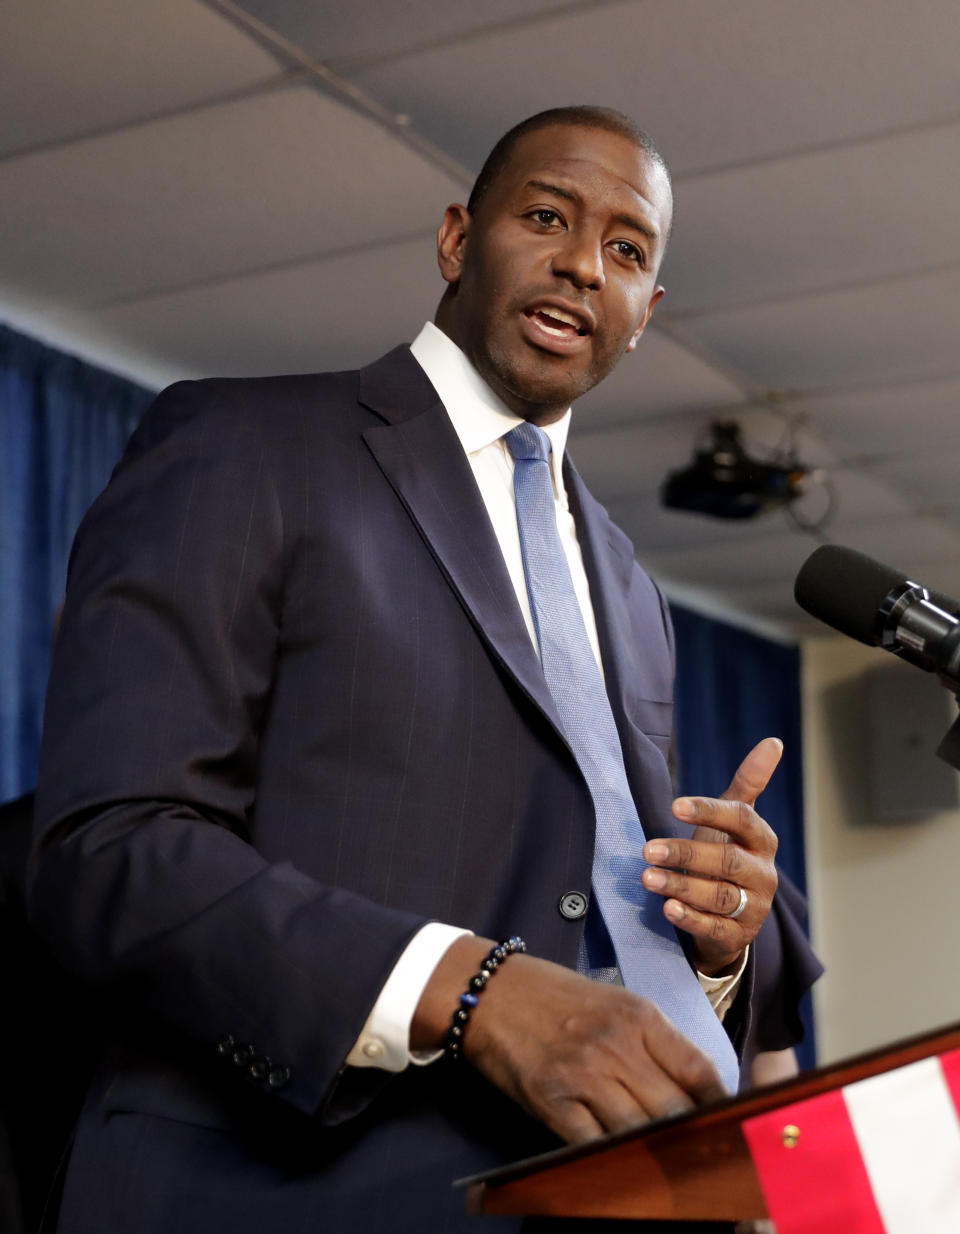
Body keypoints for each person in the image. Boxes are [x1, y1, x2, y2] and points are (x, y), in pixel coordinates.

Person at [30, 106, 820, 1233]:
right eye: (546, 216)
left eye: (628, 250)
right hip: (281, 1194)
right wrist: (474, 989)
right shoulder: (242, 447)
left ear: (649, 315)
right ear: (458, 240)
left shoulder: (634, 586)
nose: (582, 264)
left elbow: (572, 882)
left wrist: (713, 941)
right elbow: (106, 851)